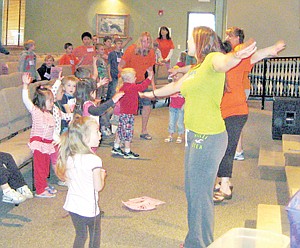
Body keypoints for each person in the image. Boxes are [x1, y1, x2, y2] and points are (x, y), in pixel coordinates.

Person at [140, 26, 258, 247]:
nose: (188, 42)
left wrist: (236, 56)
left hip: (209, 137)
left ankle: (199, 243)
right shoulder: (197, 67)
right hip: (195, 135)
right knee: (193, 191)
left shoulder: (214, 58)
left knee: (200, 195)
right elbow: (176, 86)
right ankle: (195, 239)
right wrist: (151, 94)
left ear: (201, 41)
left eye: (191, 39)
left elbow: (224, 63)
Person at [214, 27, 286, 200]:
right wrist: (180, 71)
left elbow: (256, 54)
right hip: (222, 111)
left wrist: (273, 49)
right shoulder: (216, 64)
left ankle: (225, 186)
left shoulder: (238, 61)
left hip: (236, 111)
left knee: (228, 147)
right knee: (221, 146)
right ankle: (225, 180)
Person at [56, 115, 107, 248]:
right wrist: (102, 175)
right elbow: (98, 187)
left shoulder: (70, 156)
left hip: (73, 206)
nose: (100, 134)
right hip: (89, 208)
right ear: (85, 138)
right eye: (96, 131)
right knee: (95, 234)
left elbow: (69, 179)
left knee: (80, 235)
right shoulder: (95, 160)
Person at [22, 72, 57, 198]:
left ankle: (44, 184)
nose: (53, 103)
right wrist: (25, 86)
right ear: (42, 101)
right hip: (38, 144)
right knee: (40, 168)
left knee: (45, 167)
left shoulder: (49, 115)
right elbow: (26, 100)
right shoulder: (36, 112)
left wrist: (56, 139)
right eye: (50, 101)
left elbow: (52, 131)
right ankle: (40, 190)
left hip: (47, 144)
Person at [118, 31, 156, 140]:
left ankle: (144, 131)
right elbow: (120, 67)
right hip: (127, 82)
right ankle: (120, 131)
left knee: (147, 103)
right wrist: (127, 78)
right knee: (124, 107)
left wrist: (153, 88)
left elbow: (150, 71)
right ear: (140, 41)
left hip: (140, 81)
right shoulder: (131, 49)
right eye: (143, 41)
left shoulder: (151, 53)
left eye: (148, 42)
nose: (146, 44)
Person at [112, 68, 153, 159]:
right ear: (130, 79)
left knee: (120, 129)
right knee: (128, 132)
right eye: (134, 77)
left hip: (123, 113)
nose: (136, 78)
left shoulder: (123, 87)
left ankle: (116, 146)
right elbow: (142, 86)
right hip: (128, 114)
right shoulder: (132, 87)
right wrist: (149, 77)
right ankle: (127, 151)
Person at [164, 67, 185, 144]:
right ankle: (170, 134)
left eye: (177, 76)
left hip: (181, 107)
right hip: (172, 106)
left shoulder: (184, 86)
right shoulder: (172, 85)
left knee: (180, 122)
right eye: (174, 76)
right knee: (171, 122)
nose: (175, 78)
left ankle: (180, 135)